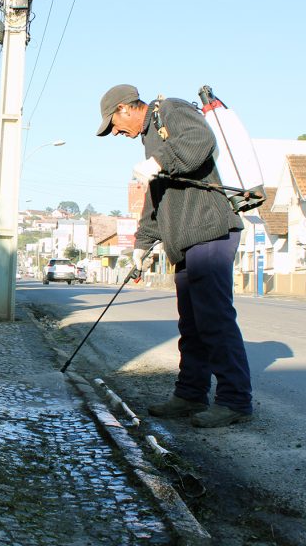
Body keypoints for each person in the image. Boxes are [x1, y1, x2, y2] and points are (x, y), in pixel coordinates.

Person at [96, 84, 252, 428]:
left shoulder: (169, 111)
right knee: (191, 324)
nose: (117, 132)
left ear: (126, 108)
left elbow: (201, 142)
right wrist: (141, 245)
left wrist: (159, 160)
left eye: (115, 125)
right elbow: (157, 202)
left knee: (214, 319)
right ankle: (190, 395)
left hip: (210, 231)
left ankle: (235, 400)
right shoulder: (149, 137)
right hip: (184, 240)